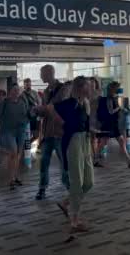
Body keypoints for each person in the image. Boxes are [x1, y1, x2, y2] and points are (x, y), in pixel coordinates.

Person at [51, 76, 95, 233]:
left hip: (85, 140)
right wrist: (62, 124)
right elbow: (52, 108)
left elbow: (86, 123)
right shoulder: (70, 103)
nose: (92, 89)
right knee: (77, 181)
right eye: (89, 87)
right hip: (73, 141)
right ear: (81, 88)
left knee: (89, 182)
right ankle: (74, 220)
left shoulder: (86, 103)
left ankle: (66, 203)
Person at [34, 64, 68, 200]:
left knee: (64, 163)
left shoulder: (64, 89)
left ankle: (70, 187)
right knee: (43, 163)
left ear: (49, 73)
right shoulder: (46, 91)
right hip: (48, 134)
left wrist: (41, 108)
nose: (41, 76)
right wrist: (39, 111)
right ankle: (42, 189)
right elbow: (46, 111)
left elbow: (54, 106)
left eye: (42, 74)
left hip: (60, 132)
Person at [95, 81, 130, 168]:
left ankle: (129, 160)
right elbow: (111, 111)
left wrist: (120, 108)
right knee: (105, 142)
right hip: (109, 124)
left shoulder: (113, 98)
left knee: (118, 141)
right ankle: (94, 159)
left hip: (112, 124)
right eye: (117, 89)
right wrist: (119, 107)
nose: (118, 90)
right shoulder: (109, 99)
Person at [0, 83, 29, 190]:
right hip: (8, 131)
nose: (16, 92)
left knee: (18, 154)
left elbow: (26, 115)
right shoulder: (4, 103)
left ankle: (15, 176)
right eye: (14, 90)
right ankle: (11, 180)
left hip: (21, 131)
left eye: (17, 90)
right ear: (10, 91)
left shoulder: (22, 102)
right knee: (13, 152)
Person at [21, 78, 41, 142]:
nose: (28, 86)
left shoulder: (34, 93)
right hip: (25, 117)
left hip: (34, 117)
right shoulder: (21, 95)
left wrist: (36, 109)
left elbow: (39, 103)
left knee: (36, 135)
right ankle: (26, 148)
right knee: (26, 135)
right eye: (26, 85)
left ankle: (27, 145)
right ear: (24, 85)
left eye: (29, 85)